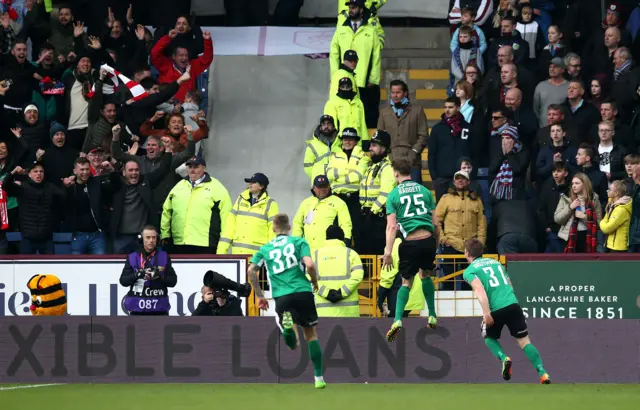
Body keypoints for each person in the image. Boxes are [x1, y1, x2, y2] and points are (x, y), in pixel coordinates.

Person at [247, 213, 326, 389]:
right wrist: (314, 281)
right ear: (289, 227)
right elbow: (310, 264)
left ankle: (288, 327)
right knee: (311, 334)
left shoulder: (265, 249)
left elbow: (251, 271)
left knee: (291, 339)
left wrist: (260, 295)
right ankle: (319, 378)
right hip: (303, 291)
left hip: (281, 295)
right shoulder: (299, 242)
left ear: (274, 228)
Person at [462, 238, 551, 384]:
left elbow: (479, 289)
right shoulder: (497, 263)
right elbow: (509, 283)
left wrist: (486, 313)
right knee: (524, 341)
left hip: (496, 308)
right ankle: (543, 373)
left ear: (467, 253)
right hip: (512, 304)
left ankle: (504, 358)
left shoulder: (470, 271)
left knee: (487, 334)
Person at [382, 157, 440, 342]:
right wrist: (435, 243)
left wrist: (388, 252)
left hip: (410, 241)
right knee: (426, 275)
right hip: (428, 240)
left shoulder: (393, 195)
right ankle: (432, 314)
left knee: (406, 282)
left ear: (396, 172)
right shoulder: (424, 191)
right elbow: (436, 223)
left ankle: (397, 319)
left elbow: (392, 227)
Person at [119, 225, 178, 316]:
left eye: (154, 237)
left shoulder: (164, 256)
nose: (151, 240)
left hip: (159, 310)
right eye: (148, 237)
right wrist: (138, 274)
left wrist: (159, 276)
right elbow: (123, 281)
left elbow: (173, 281)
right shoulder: (132, 257)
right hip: (137, 310)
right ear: (141, 239)